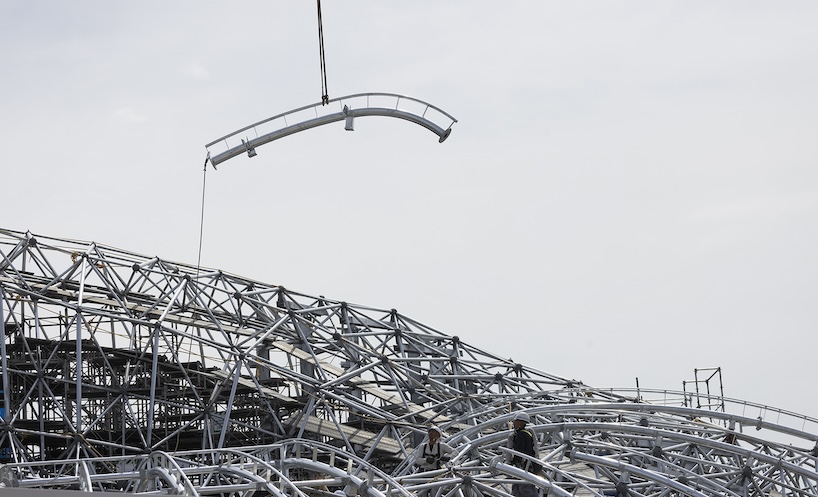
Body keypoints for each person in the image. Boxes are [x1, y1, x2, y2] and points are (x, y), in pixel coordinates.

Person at [505, 412, 540, 497]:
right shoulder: (527, 434)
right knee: (518, 487)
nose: (514, 423)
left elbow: (520, 451)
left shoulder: (521, 435)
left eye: (515, 421)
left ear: (521, 422)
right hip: (527, 465)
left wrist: (512, 462)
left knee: (524, 488)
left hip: (523, 466)